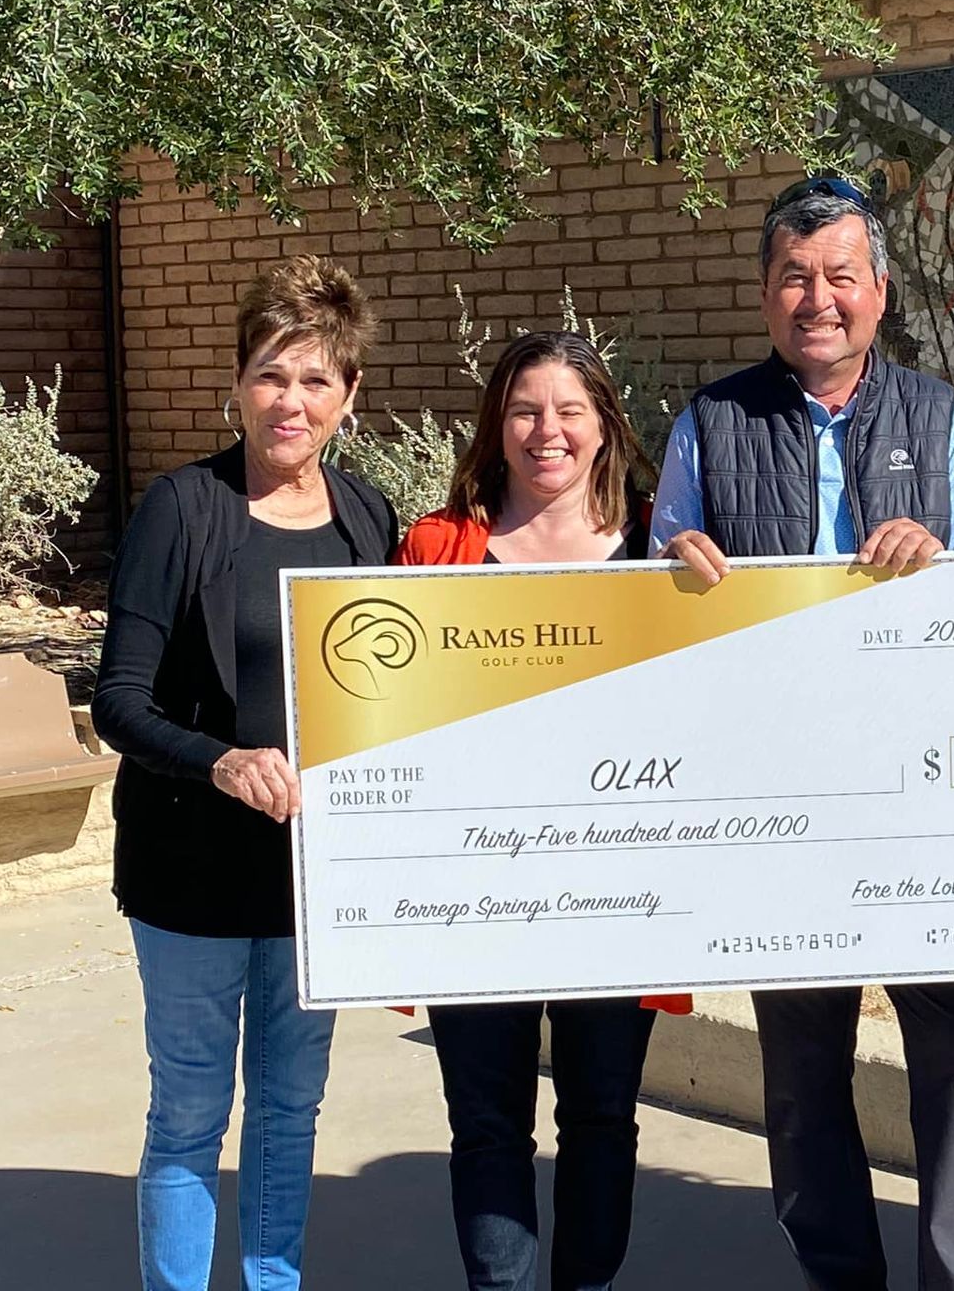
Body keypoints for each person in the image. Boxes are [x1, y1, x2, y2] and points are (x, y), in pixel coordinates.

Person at [650, 176, 954, 1291]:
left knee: (953, 1055)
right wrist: (672, 570)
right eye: (794, 278)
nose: (819, 299)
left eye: (840, 276)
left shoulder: (938, 416)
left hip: (921, 791)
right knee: (803, 1069)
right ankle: (836, 1274)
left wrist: (943, 564)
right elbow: (652, 591)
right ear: (765, 295)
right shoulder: (710, 422)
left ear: (879, 291)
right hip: (778, 796)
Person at [92, 255, 395, 1290]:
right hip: (191, 875)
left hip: (311, 879)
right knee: (189, 1109)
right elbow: (119, 700)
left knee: (289, 1107)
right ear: (237, 383)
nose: (290, 402)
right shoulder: (183, 508)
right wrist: (220, 762)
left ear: (349, 393)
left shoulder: (366, 519)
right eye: (270, 374)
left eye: (315, 379)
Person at [394, 329, 690, 1289]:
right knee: (487, 1126)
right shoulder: (436, 548)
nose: (546, 431)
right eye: (524, 411)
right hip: (475, 890)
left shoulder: (662, 546)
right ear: (496, 425)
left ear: (606, 425)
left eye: (569, 410)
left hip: (620, 887)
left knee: (601, 1116)